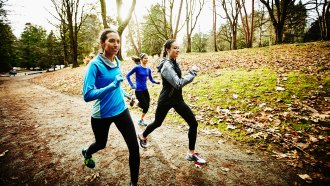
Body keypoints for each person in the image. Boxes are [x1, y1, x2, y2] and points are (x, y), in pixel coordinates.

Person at [82, 29, 140, 186]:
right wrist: (111, 86)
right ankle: (87, 153)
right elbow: (87, 95)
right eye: (112, 41)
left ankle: (133, 183)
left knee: (134, 148)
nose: (116, 44)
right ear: (102, 44)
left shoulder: (117, 62)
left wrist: (127, 96)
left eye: (118, 41)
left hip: (121, 110)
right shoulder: (94, 65)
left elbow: (117, 86)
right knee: (101, 144)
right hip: (101, 114)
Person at [137, 39, 206, 165]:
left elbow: (177, 79)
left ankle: (191, 153)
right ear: (168, 50)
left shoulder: (173, 62)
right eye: (174, 48)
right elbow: (178, 83)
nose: (177, 50)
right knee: (158, 122)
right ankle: (142, 135)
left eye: (178, 48)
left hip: (177, 100)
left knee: (193, 123)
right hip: (166, 100)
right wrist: (192, 72)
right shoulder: (167, 66)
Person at [126, 53, 160, 126]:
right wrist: (132, 85)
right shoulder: (137, 68)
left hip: (145, 89)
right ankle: (134, 101)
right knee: (145, 105)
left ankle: (141, 120)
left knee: (147, 106)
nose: (146, 59)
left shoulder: (148, 69)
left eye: (147, 58)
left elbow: (150, 79)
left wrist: (156, 82)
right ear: (141, 59)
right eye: (145, 58)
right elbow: (127, 75)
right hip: (138, 90)